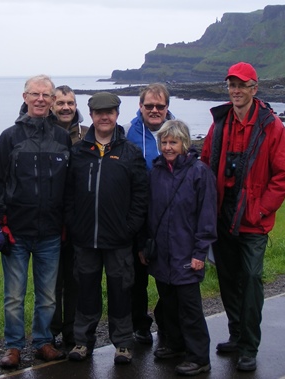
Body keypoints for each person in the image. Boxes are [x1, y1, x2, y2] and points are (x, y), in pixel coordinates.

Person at [201, 62, 285, 372]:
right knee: (227, 278)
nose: (235, 91)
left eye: (241, 85)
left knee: (251, 278)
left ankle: (250, 346)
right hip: (223, 214)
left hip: (253, 219)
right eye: (231, 85)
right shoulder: (221, 122)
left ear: (254, 89)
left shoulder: (272, 127)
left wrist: (261, 209)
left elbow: (283, 176)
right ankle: (236, 334)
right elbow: (205, 161)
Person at [0, 75, 71, 368]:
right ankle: (13, 346)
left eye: (46, 95)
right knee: (14, 296)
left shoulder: (62, 138)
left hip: (50, 231)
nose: (40, 99)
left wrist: (64, 223)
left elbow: (68, 186)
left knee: (48, 296)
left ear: (52, 100)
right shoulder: (9, 137)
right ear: (24, 97)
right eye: (35, 94)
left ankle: (42, 342)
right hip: (17, 232)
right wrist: (3, 223)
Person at [65, 92, 148, 365]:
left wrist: (129, 228)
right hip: (85, 239)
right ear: (91, 115)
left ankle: (123, 344)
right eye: (99, 112)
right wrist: (75, 225)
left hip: (119, 240)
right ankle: (82, 341)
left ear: (116, 114)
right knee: (86, 292)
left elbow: (140, 196)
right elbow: (68, 195)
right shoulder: (77, 152)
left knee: (121, 292)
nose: (104, 117)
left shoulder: (130, 152)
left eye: (110, 112)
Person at [147, 120, 217, 376]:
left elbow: (207, 217)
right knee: (169, 304)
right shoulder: (155, 172)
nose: (168, 147)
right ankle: (176, 345)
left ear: (184, 143)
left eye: (173, 142)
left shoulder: (200, 173)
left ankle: (199, 357)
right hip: (162, 254)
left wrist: (200, 253)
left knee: (190, 309)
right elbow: (150, 213)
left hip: (187, 253)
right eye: (164, 142)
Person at [124, 83, 175, 345]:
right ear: (140, 107)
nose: (154, 110)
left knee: (169, 277)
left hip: (168, 218)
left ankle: (166, 325)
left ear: (167, 107)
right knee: (136, 279)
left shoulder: (178, 132)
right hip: (137, 217)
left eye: (160, 106)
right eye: (149, 106)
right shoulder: (127, 134)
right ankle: (140, 326)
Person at [49, 85, 89, 349]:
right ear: (52, 105)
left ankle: (73, 331)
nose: (66, 107)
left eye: (71, 103)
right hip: (50, 220)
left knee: (75, 278)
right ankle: (49, 333)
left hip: (80, 219)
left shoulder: (87, 135)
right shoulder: (44, 133)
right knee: (52, 282)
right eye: (61, 102)